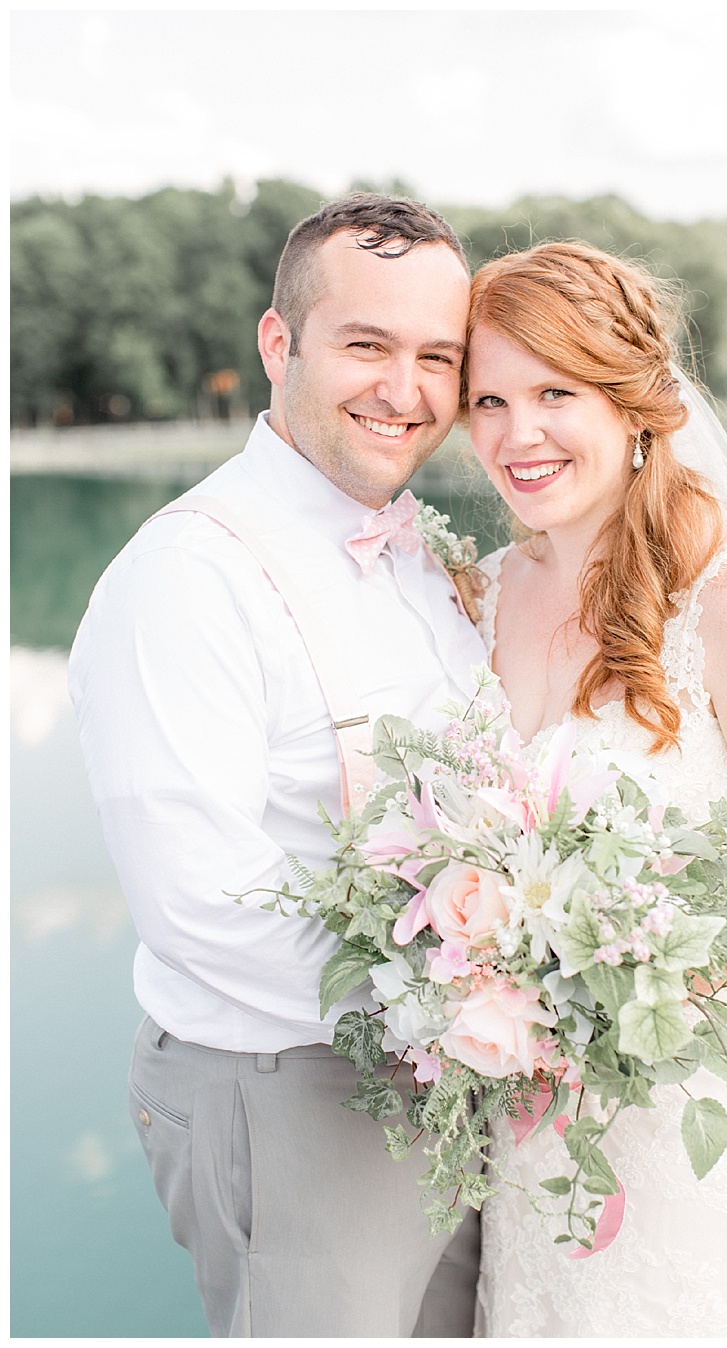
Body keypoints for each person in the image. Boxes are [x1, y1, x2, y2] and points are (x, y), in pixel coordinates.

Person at [69, 194, 487, 1335]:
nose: (403, 390)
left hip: (452, 1079)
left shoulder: (422, 556)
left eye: (436, 357)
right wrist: (460, 1004)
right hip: (287, 1090)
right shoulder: (187, 577)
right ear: (277, 342)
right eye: (367, 344)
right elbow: (201, 898)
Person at [457, 240, 727, 1337]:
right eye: (489, 399)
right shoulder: (478, 596)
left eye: (557, 392)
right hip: (528, 1110)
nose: (518, 433)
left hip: (676, 1098)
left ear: (635, 401)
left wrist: (656, 983)